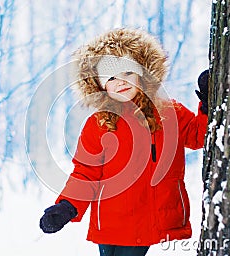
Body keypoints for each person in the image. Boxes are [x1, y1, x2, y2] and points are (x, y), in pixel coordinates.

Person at [39, 28, 209, 256]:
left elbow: (199, 136)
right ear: (99, 86)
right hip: (110, 221)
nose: (120, 82)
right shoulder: (97, 124)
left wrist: (208, 104)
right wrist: (67, 207)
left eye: (127, 73)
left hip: (149, 217)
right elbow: (86, 173)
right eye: (111, 78)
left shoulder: (169, 112)